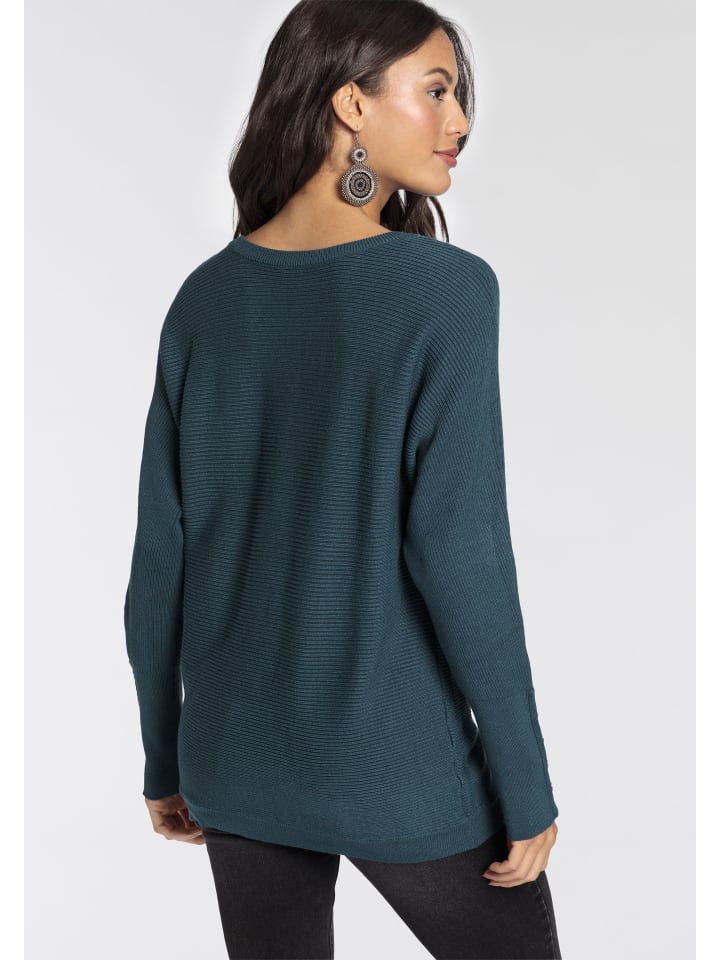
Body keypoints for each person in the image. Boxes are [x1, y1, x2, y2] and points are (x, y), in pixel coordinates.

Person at [123, 1, 563, 957]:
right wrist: (525, 783)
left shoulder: (203, 300)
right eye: (437, 90)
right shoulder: (446, 292)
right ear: (351, 103)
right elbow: (461, 552)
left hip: (233, 760)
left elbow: (160, 563)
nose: (460, 120)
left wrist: (166, 758)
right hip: (393, 762)